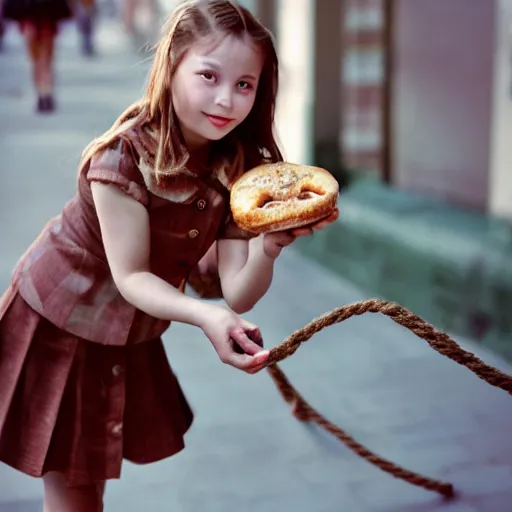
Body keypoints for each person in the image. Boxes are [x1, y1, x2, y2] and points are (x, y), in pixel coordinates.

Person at [0, 1, 339, 510]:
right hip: (61, 322)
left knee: (90, 481)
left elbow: (237, 291)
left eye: (245, 84)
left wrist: (267, 249)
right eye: (208, 75)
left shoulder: (235, 167)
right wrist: (206, 316)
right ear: (172, 65)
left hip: (127, 329)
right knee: (74, 487)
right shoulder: (122, 159)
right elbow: (133, 276)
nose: (226, 99)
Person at [1, 0, 73, 112]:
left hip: (46, 11)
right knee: (38, 54)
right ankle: (43, 91)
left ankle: (45, 90)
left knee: (44, 53)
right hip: (31, 11)